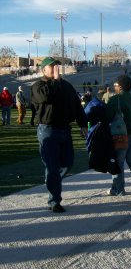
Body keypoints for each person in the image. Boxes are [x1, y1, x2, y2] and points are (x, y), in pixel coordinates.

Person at [31, 57, 88, 213]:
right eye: (51, 66)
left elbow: (76, 106)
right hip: (47, 130)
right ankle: (54, 200)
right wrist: (55, 81)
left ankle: (52, 180)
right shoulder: (38, 85)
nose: (55, 68)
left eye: (56, 66)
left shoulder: (66, 86)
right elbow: (45, 97)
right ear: (43, 70)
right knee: (52, 166)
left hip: (64, 129)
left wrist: (83, 124)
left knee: (68, 162)